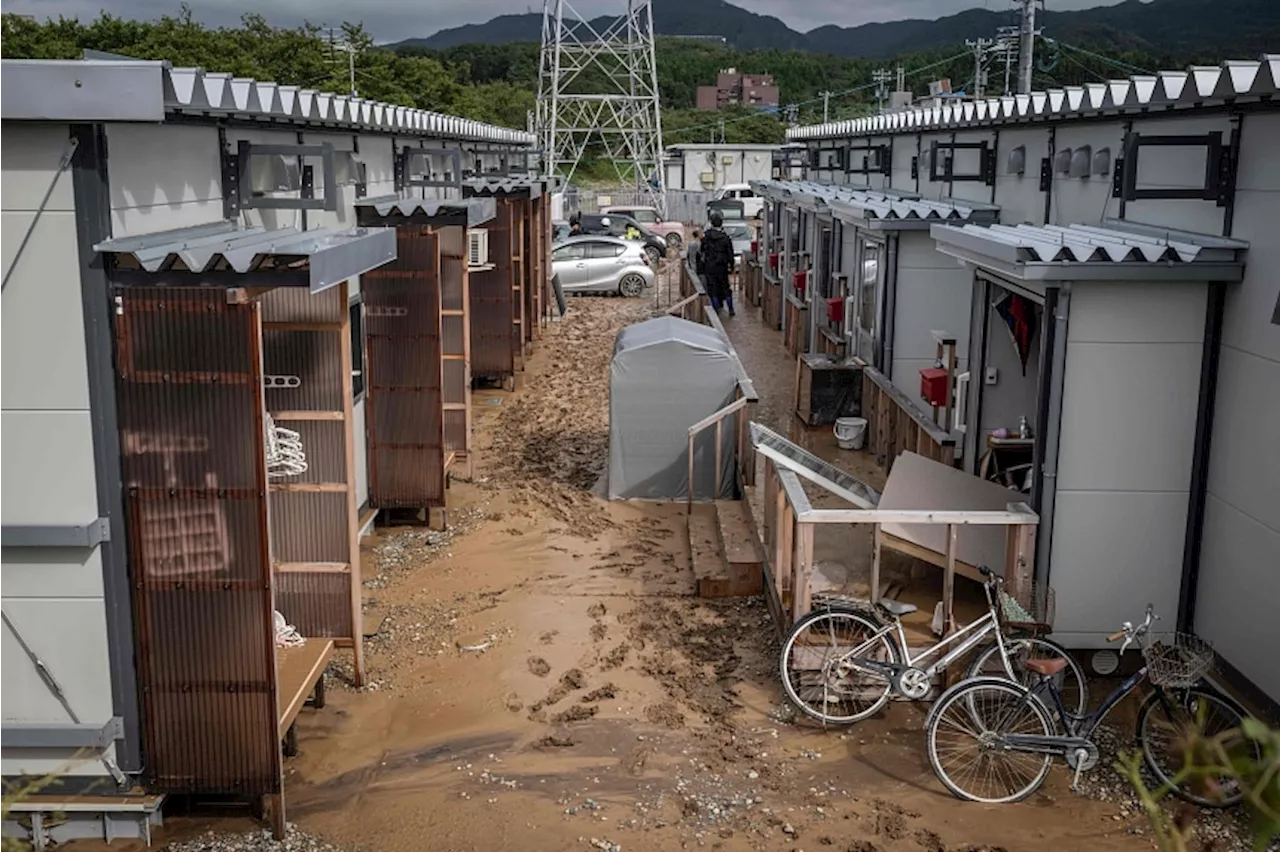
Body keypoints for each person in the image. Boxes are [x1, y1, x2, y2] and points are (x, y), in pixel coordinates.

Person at [701, 212, 736, 317]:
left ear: (711, 223)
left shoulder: (706, 236)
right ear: (721, 223)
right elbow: (730, 254)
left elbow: (702, 250)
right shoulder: (725, 238)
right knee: (725, 287)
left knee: (713, 289)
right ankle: (731, 309)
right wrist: (732, 266)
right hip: (722, 266)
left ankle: (716, 311)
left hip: (710, 266)